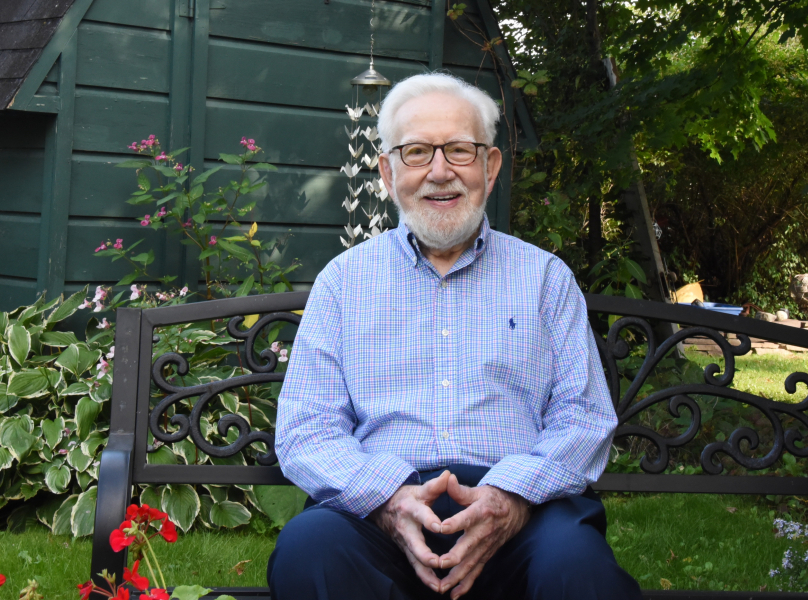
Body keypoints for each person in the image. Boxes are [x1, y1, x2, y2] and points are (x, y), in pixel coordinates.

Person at [268, 72, 642, 600]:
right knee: (310, 551)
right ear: (387, 171)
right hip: (377, 518)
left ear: (489, 168)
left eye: (460, 151)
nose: (439, 172)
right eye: (417, 152)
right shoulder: (344, 283)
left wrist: (511, 495)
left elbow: (583, 416)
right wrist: (387, 498)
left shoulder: (544, 279)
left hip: (521, 516)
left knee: (578, 568)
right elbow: (307, 429)